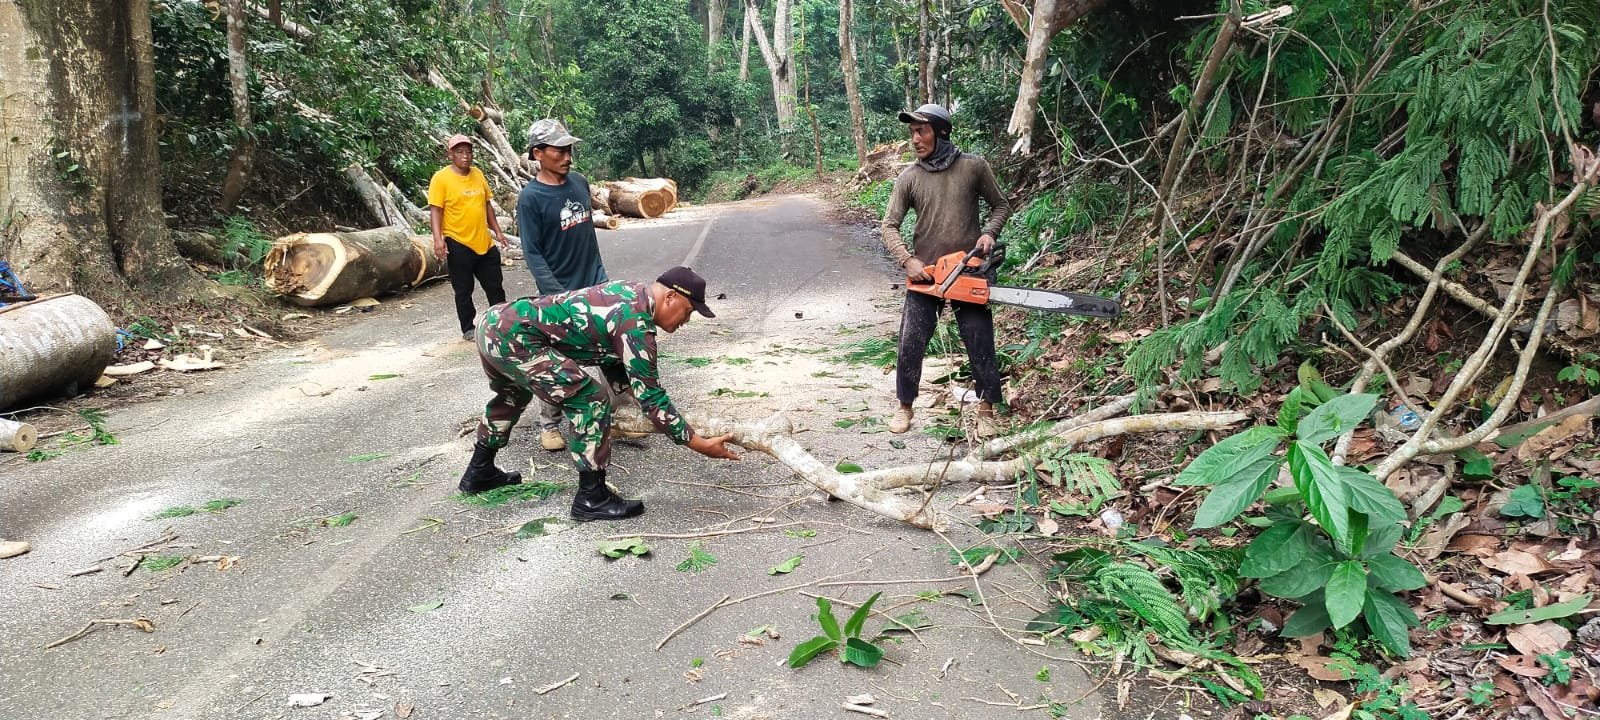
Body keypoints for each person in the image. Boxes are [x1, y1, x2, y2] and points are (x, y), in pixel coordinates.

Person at [458, 267, 741, 521]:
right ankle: (592, 498)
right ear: (670, 297)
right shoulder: (637, 325)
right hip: (516, 335)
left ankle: (479, 471)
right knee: (590, 400)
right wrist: (699, 444)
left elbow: (610, 355)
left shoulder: (630, 293)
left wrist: (629, 390)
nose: (686, 321)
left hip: (494, 323)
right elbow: (652, 398)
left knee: (512, 396)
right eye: (689, 311)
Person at [879, 103, 1013, 437]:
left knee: (979, 339)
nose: (915, 139)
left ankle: (986, 409)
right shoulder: (909, 177)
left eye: (921, 131)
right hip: (926, 274)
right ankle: (904, 406)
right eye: (911, 132)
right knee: (911, 341)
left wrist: (988, 233)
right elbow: (889, 225)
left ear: (940, 132)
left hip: (968, 271)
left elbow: (1001, 205)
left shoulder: (973, 168)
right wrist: (907, 260)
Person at [516, 119, 611, 453]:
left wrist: (600, 278)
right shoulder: (531, 198)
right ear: (538, 153)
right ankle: (549, 424)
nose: (567, 155)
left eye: (568, 148)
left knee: (609, 349)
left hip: (595, 282)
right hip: (558, 292)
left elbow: (588, 239)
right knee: (560, 358)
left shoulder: (580, 183)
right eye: (559, 149)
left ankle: (618, 414)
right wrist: (556, 295)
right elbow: (533, 252)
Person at [429, 134, 514, 341]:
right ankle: (468, 327)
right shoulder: (441, 179)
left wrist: (498, 232)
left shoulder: (477, 174)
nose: (465, 156)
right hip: (458, 242)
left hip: (483, 242)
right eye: (460, 152)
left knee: (495, 286)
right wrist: (438, 239)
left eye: (468, 152)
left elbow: (487, 206)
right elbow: (436, 211)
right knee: (463, 289)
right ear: (451, 154)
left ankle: (500, 323)